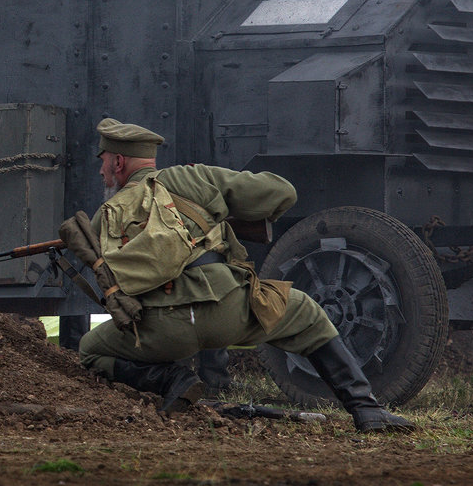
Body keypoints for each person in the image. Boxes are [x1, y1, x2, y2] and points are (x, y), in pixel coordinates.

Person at [76, 117, 415, 433]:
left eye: (103, 160)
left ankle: (171, 380)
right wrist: (223, 208)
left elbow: (108, 279)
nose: (102, 169)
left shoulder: (106, 214)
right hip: (229, 311)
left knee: (90, 349)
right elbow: (282, 192)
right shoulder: (192, 178)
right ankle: (366, 410)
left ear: (119, 163)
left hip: (162, 332)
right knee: (308, 313)